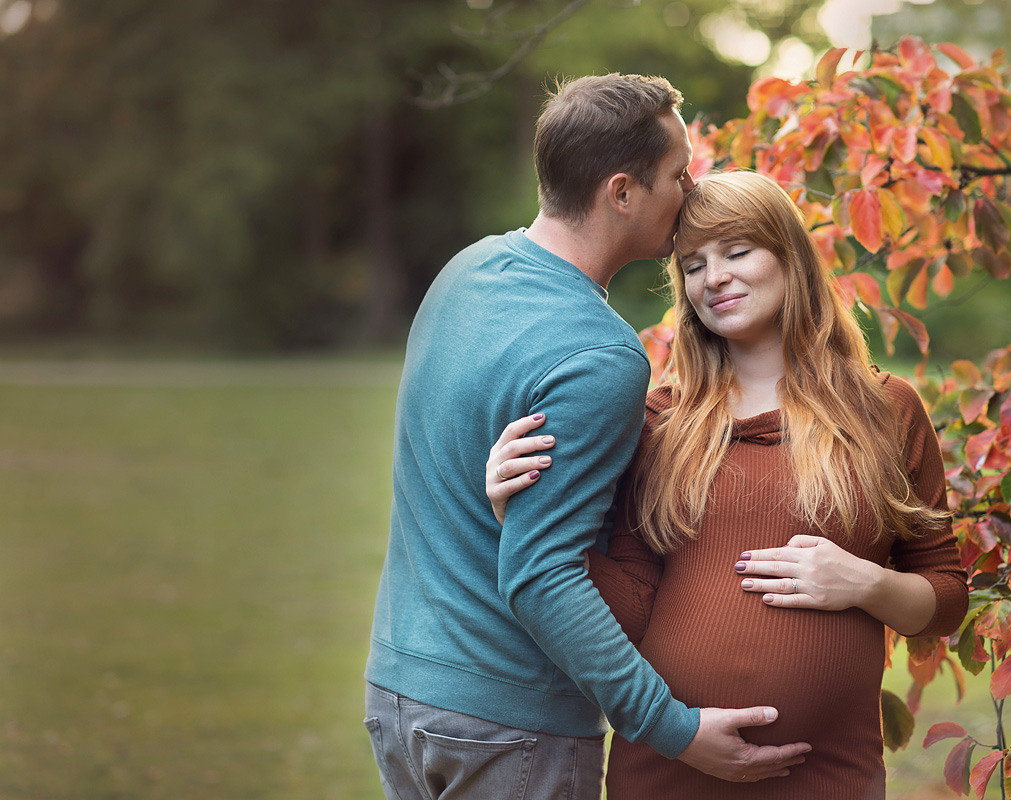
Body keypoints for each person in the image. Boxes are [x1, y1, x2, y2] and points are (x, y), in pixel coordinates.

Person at [363, 76, 812, 800]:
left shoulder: (465, 273)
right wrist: (673, 728)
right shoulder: (600, 356)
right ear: (622, 192)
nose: (689, 192)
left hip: (400, 693)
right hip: (508, 722)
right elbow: (543, 575)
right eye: (678, 173)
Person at [487, 170, 969, 799]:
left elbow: (946, 598)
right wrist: (525, 515)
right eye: (693, 265)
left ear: (790, 257)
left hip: (827, 773)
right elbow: (632, 602)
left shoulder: (886, 408)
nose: (712, 278)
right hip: (670, 768)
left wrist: (867, 584)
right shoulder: (659, 420)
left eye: (737, 252)